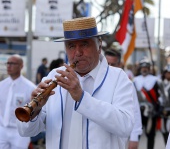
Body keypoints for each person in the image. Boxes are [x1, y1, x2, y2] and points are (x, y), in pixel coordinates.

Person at [17, 17, 134, 149]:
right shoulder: (53, 75)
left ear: (99, 46)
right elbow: (25, 132)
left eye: (84, 44)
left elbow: (125, 126)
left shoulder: (118, 78)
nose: (78, 53)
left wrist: (81, 97)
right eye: (71, 46)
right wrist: (35, 109)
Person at [104, 48, 143, 149]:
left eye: (113, 64)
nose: (109, 67)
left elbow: (134, 110)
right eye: (107, 63)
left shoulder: (125, 83)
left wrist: (134, 137)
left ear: (120, 64)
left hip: (117, 137)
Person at [0, 54, 36, 149]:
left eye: (12, 63)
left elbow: (35, 110)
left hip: (19, 131)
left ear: (21, 66)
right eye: (8, 63)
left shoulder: (30, 87)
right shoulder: (2, 85)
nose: (9, 66)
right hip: (2, 129)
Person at [133, 58, 166, 149]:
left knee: (151, 135)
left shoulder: (156, 80)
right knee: (136, 134)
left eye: (146, 67)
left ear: (149, 68)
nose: (144, 69)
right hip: (137, 112)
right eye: (143, 67)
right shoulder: (134, 80)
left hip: (152, 112)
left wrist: (160, 107)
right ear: (140, 68)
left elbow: (163, 96)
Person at [161, 64, 170, 145]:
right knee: (164, 130)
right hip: (163, 111)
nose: (168, 75)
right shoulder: (162, 83)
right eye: (167, 73)